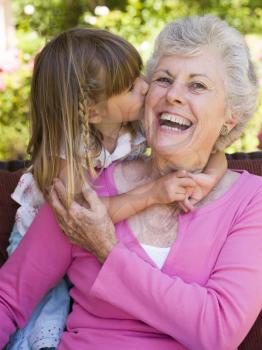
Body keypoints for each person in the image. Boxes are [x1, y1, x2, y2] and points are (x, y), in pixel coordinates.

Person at [0, 14, 260, 349]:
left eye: (197, 85)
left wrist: (107, 250)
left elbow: (218, 331)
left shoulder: (252, 200)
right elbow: (8, 300)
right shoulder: (85, 187)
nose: (173, 96)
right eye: (164, 80)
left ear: (230, 117)